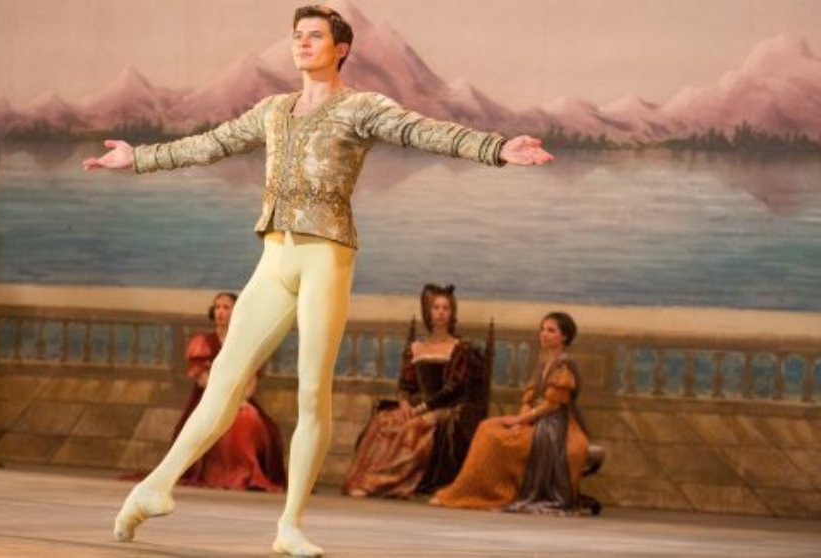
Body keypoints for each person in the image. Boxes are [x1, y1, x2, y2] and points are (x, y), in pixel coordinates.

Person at [82, 5, 553, 555]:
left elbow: (423, 131)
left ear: (341, 48)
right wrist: (137, 158)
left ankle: (290, 524)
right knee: (224, 379)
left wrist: (496, 148)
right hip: (274, 258)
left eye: (314, 36)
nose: (302, 44)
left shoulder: (361, 107)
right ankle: (154, 486)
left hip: (325, 257)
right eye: (297, 36)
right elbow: (208, 144)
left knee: (312, 391)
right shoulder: (272, 110)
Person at [429, 312, 590, 514]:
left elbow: (552, 405)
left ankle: (495, 493)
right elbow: (529, 399)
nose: (544, 334)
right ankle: (471, 491)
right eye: (542, 329)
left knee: (497, 438)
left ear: (564, 336)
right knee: (487, 427)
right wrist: (520, 422)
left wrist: (520, 420)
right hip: (534, 419)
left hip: (554, 427)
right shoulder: (543, 363)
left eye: (551, 330)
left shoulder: (565, 363)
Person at [343, 284, 489, 498]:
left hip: (445, 407)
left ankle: (388, 482)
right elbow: (406, 385)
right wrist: (404, 404)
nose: (441, 313)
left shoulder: (459, 348)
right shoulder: (416, 348)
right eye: (436, 308)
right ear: (428, 313)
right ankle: (366, 480)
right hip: (416, 404)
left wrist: (420, 409)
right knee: (384, 421)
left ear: (452, 313)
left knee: (413, 428)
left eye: (445, 308)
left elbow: (453, 389)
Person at [174, 292, 287, 492]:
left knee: (251, 419)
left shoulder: (246, 344)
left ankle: (248, 474)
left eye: (226, 307)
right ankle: (222, 475)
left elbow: (251, 380)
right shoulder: (203, 342)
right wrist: (225, 400)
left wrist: (240, 400)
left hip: (239, 399)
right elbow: (203, 380)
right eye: (217, 307)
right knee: (215, 421)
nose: (220, 312)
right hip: (209, 400)